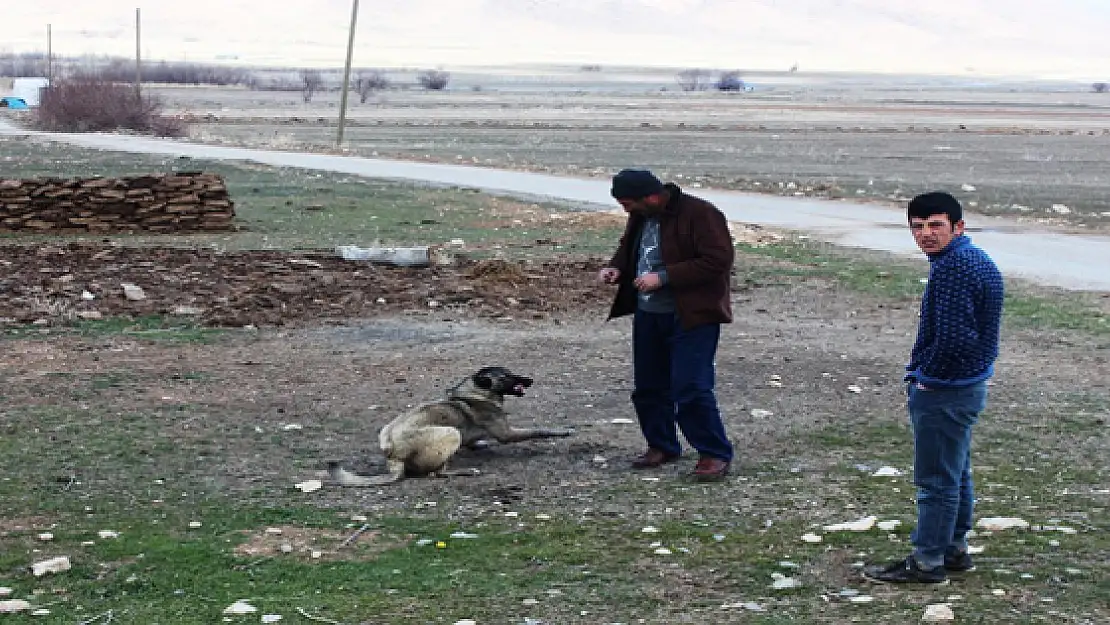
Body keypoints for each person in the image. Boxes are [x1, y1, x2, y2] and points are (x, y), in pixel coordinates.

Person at [864, 191, 1004, 584]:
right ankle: (954, 548)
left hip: (947, 388)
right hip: (966, 384)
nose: (925, 234)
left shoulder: (954, 267)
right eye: (918, 227)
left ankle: (928, 561)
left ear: (958, 226)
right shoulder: (970, 258)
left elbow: (954, 339)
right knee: (956, 471)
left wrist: (927, 379)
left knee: (937, 479)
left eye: (935, 225)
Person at [597, 168, 735, 482]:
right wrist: (615, 267)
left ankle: (714, 454)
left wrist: (664, 277)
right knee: (649, 387)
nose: (626, 211)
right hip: (649, 314)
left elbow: (718, 260)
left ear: (652, 196)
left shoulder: (701, 213)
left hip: (692, 316)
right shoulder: (642, 214)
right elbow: (630, 246)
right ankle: (662, 446)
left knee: (691, 387)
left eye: (628, 204)